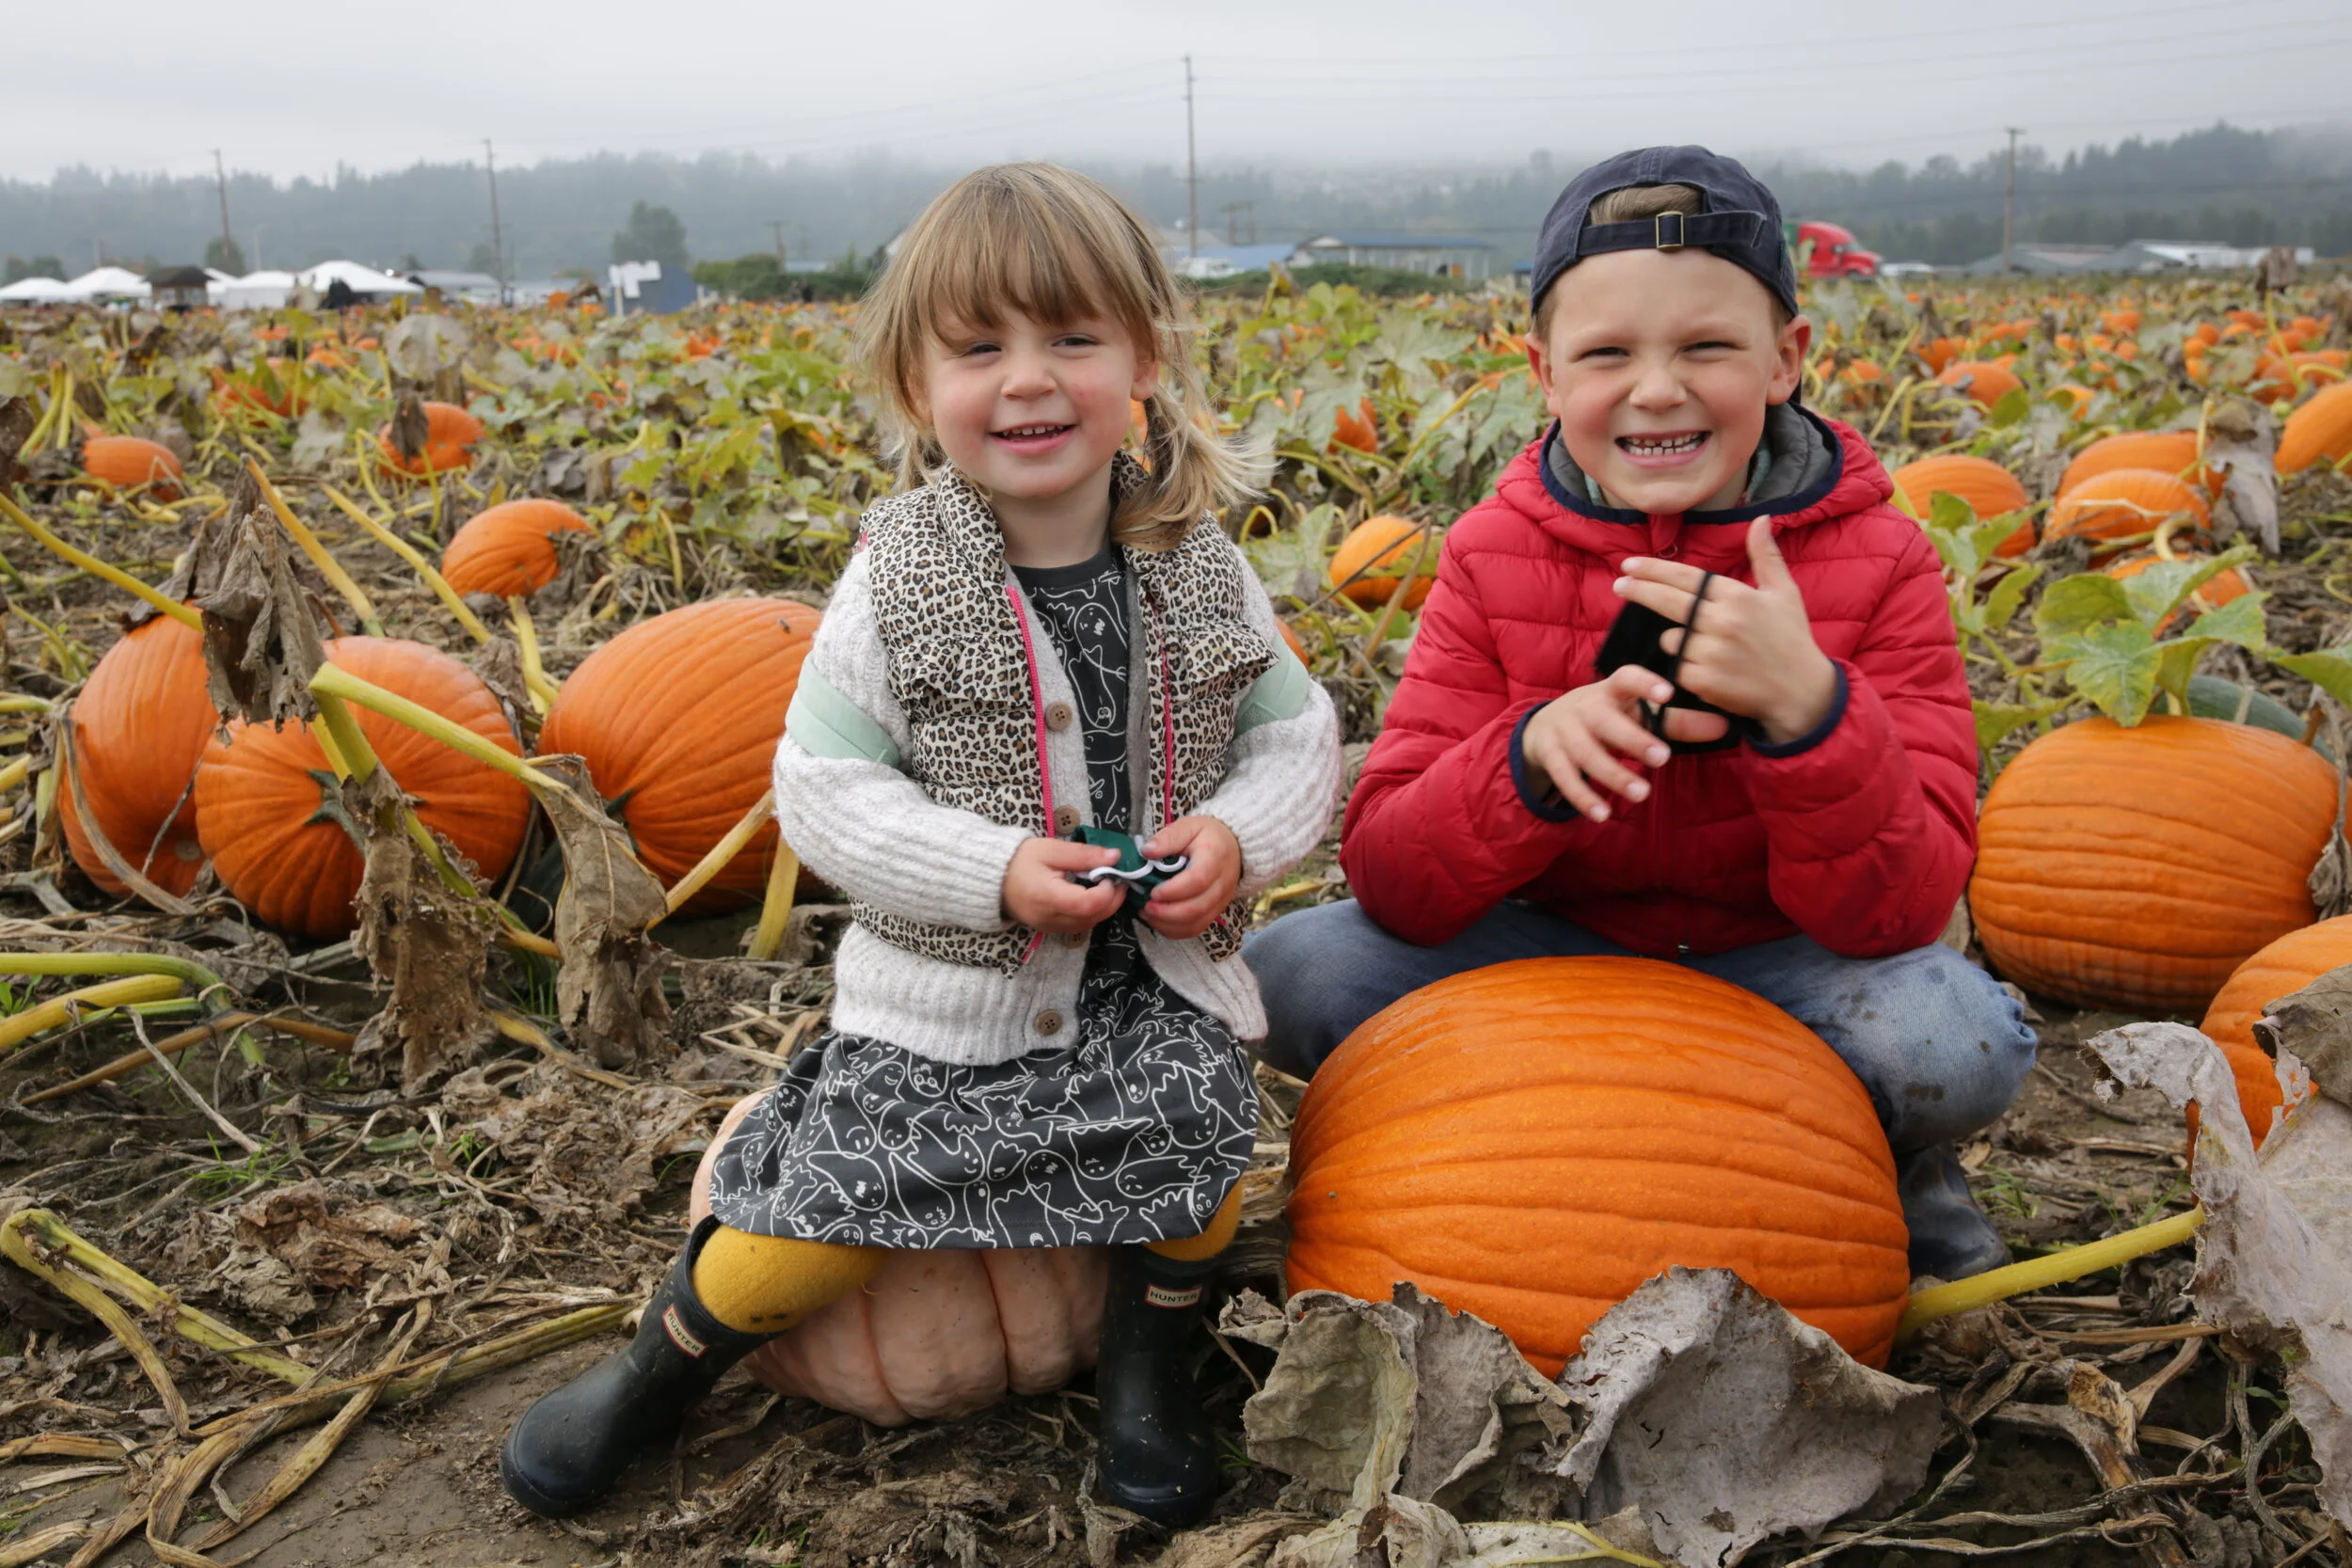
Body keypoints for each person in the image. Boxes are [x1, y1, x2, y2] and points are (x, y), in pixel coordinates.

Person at [501, 164, 1341, 1528]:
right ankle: (659, 1367)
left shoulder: (1199, 560)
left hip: (1148, 983)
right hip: (949, 1010)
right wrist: (993, 870)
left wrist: (1234, 837)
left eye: (1073, 338)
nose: (1030, 381)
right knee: (826, 1214)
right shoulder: (897, 576)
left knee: (1200, 1141)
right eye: (980, 346)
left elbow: (1298, 735)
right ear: (915, 383)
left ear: (1145, 358)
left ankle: (1147, 1371)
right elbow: (822, 786)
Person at [1247, 146, 2034, 1283]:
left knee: (1949, 1042)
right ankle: (1512, 1140)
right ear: (1545, 371)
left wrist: (1808, 712)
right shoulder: (1485, 554)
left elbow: (1902, 905)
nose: (1656, 389)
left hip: (1782, 963)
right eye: (1608, 353)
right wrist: (1523, 764)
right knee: (1291, 973)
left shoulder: (1881, 560)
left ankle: (1868, 1164)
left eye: (1705, 347)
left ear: (1786, 359)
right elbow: (1391, 874)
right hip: (1552, 954)